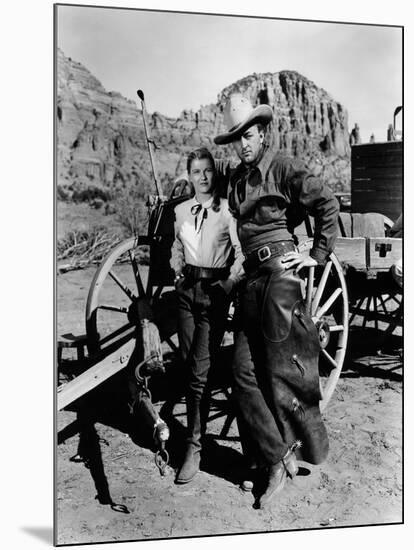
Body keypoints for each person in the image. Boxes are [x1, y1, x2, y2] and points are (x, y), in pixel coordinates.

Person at [214, 93, 339, 508]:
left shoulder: (282, 167)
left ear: (263, 133)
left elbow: (326, 203)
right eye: (237, 139)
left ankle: (283, 461)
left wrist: (315, 254)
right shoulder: (235, 180)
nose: (243, 145)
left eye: (248, 136)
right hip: (252, 281)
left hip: (281, 278)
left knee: (282, 373)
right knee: (241, 371)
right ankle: (276, 458)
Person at [169, 147, 244, 484]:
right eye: (196, 171)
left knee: (198, 373)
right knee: (188, 364)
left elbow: (241, 255)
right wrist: (176, 272)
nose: (202, 176)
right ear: (190, 175)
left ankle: (194, 447)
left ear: (214, 175)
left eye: (207, 171)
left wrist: (228, 284)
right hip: (186, 293)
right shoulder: (182, 210)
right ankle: (194, 436)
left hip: (213, 294)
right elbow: (176, 247)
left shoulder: (227, 211)